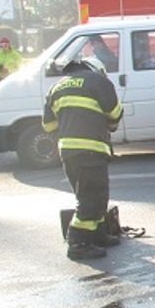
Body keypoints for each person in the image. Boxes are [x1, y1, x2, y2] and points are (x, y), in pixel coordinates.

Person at [42, 56, 124, 260]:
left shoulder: (57, 87)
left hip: (68, 152)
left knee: (90, 195)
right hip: (91, 149)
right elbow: (115, 114)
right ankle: (77, 243)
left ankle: (95, 236)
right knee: (91, 198)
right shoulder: (99, 82)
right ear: (97, 69)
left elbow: (48, 126)